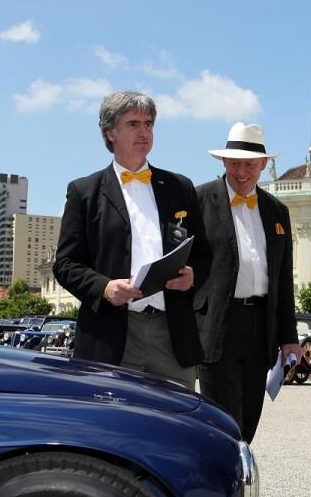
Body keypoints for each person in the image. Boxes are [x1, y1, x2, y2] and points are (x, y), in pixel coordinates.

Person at [53, 91, 208, 388]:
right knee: (109, 426)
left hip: (171, 334)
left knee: (175, 427)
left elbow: (203, 252)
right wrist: (105, 287)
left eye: (149, 124)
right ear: (110, 132)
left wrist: (193, 276)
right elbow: (66, 264)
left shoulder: (180, 187)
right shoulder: (84, 192)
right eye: (133, 124)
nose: (144, 131)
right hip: (111, 335)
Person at [193, 123, 301, 442]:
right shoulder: (199, 200)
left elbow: (283, 281)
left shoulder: (277, 211)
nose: (242, 172)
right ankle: (224, 488)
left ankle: (239, 485)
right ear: (223, 162)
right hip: (217, 325)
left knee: (248, 422)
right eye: (235, 163)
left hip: (259, 328)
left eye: (250, 164)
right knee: (221, 422)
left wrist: (289, 338)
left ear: (263, 165)